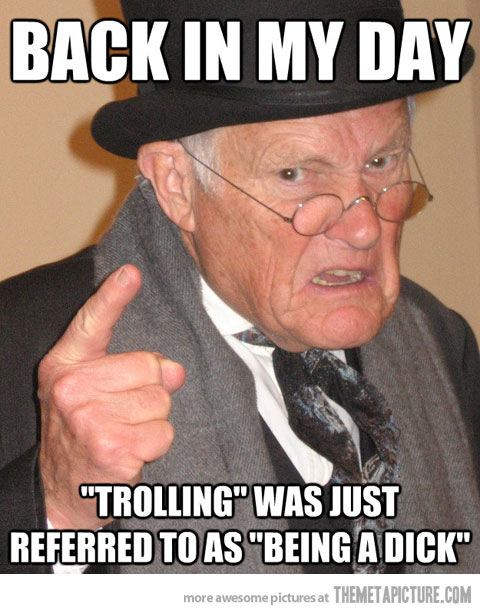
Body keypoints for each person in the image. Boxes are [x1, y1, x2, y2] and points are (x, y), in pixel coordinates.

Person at [0, 0, 479, 574]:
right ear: (176, 185)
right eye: (294, 174)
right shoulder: (19, 348)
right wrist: (56, 509)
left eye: (381, 162)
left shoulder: (441, 342)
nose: (364, 228)